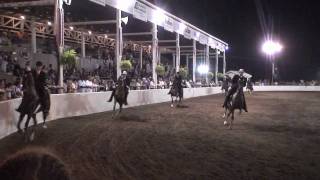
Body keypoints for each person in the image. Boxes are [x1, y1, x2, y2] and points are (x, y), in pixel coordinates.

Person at [32, 61, 51, 128]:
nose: (39, 67)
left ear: (41, 66)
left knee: (46, 96)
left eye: (39, 66)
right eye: (38, 66)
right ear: (36, 66)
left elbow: (44, 81)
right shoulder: (33, 72)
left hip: (40, 88)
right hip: (34, 88)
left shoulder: (43, 73)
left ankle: (45, 109)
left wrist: (44, 85)